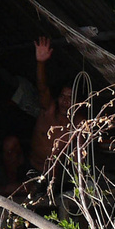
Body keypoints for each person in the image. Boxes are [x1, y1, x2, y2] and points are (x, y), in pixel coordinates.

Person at [30, 36, 75, 171]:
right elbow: (42, 88)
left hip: (55, 176)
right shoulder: (48, 110)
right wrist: (40, 63)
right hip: (32, 168)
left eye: (70, 97)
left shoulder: (78, 122)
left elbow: (80, 156)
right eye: (62, 96)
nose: (65, 101)